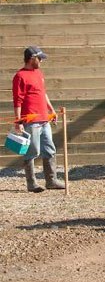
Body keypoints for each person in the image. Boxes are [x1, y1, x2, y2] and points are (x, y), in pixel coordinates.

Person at [12, 46, 65, 193]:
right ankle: (31, 183)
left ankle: (51, 180)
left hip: (44, 119)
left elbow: (43, 93)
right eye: (39, 58)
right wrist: (18, 122)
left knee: (49, 149)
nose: (41, 60)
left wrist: (52, 110)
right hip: (31, 121)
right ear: (31, 58)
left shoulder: (39, 73)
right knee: (32, 151)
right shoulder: (20, 76)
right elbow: (17, 101)